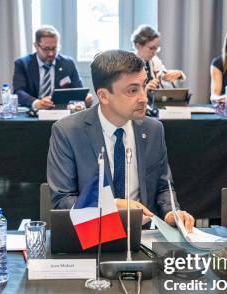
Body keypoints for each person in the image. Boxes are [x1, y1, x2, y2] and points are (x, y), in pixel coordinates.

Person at [47, 49, 195, 231]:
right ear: (103, 96)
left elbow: (163, 187)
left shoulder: (153, 129)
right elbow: (63, 201)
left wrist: (171, 212)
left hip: (142, 236)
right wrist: (113, 206)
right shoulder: (68, 131)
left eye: (144, 85)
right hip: (92, 238)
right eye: (132, 90)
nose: (143, 98)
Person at [12, 25, 93, 110]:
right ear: (36, 46)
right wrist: (36, 103)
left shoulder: (68, 63)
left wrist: (86, 98)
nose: (51, 53)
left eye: (54, 48)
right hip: (33, 113)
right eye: (46, 49)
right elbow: (18, 92)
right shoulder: (23, 64)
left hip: (62, 112)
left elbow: (79, 90)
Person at [131, 25, 185, 91]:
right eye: (151, 48)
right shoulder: (128, 64)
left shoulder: (154, 60)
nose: (154, 53)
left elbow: (164, 79)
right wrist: (145, 89)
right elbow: (129, 92)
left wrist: (178, 74)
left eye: (156, 48)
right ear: (138, 46)